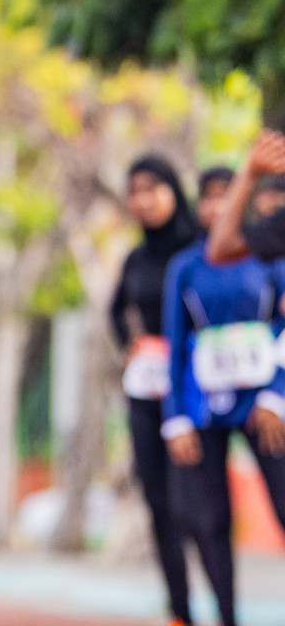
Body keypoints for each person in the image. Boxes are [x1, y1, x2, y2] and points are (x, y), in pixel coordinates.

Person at [163, 159, 285, 626]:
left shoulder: (266, 252)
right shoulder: (186, 267)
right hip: (204, 407)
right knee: (211, 520)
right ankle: (226, 617)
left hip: (262, 407)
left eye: (226, 195)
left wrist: (275, 394)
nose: (217, 206)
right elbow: (175, 343)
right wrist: (175, 418)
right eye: (208, 196)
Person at [109, 155, 201, 626]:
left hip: (197, 393)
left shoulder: (201, 248)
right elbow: (114, 310)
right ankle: (180, 612)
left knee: (198, 508)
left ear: (173, 189)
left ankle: (227, 608)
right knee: (159, 504)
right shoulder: (135, 259)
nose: (142, 200)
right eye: (134, 191)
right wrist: (130, 346)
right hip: (146, 392)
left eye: (152, 188)